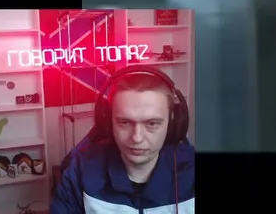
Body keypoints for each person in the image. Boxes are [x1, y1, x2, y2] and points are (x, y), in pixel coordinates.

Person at [51, 66, 195, 214]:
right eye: (125, 122)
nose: (137, 138)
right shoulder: (81, 171)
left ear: (172, 122)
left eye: (152, 124)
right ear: (108, 121)